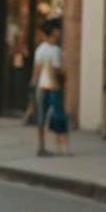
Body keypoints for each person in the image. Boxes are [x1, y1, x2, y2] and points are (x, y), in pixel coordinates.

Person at [31, 20, 70, 156]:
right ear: (53, 32)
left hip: (42, 87)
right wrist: (63, 80)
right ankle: (63, 147)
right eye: (57, 30)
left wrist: (33, 85)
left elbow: (36, 70)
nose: (59, 33)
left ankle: (41, 147)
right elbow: (57, 70)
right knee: (59, 116)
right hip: (54, 87)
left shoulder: (40, 49)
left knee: (42, 117)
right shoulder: (56, 50)